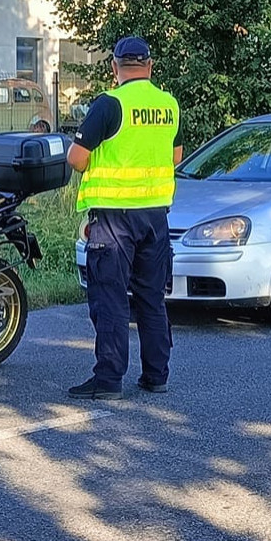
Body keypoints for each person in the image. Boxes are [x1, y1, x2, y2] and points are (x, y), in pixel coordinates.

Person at [66, 36, 182, 400]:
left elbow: (76, 157)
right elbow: (175, 157)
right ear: (149, 66)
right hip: (155, 217)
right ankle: (156, 375)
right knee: (151, 297)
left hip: (115, 220)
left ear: (114, 67)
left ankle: (109, 379)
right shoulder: (168, 105)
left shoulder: (109, 104)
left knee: (111, 299)